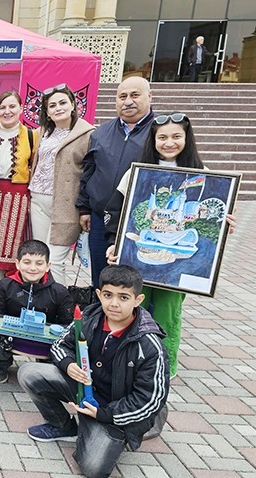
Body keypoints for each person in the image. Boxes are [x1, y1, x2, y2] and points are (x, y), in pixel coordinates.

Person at [104, 113, 237, 377]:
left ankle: (162, 366)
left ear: (187, 139)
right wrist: (114, 243)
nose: (169, 143)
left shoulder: (204, 175)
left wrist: (225, 227)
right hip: (140, 258)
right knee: (131, 310)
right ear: (153, 140)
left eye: (176, 136)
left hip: (176, 265)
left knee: (167, 313)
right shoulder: (138, 173)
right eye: (162, 137)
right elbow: (115, 211)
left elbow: (211, 224)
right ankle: (125, 362)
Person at [18, 265, 169, 478]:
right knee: (29, 373)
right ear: (99, 295)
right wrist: (69, 364)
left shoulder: (149, 345)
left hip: (114, 411)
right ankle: (64, 426)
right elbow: (60, 344)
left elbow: (150, 399)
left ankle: (107, 432)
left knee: (93, 469)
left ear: (138, 300)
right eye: (108, 295)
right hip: (85, 390)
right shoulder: (90, 316)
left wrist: (103, 414)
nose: (114, 303)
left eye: (124, 297)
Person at [77, 77, 154, 288]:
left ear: (149, 97)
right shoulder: (101, 133)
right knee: (101, 277)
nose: (128, 101)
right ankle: (101, 318)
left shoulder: (161, 133)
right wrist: (84, 208)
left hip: (142, 224)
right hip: (101, 219)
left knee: (137, 280)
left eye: (135, 95)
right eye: (122, 96)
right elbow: (89, 171)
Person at [28, 84, 95, 284]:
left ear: (73, 105)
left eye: (63, 103)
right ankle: (41, 306)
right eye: (52, 105)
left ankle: (61, 310)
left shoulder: (87, 134)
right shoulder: (43, 133)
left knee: (56, 261)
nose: (58, 108)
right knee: (39, 258)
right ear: (47, 113)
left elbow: (90, 172)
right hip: (38, 199)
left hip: (66, 206)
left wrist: (86, 208)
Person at [0, 240, 73, 383]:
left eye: (39, 263)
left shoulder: (60, 292)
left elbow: (68, 325)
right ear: (17, 264)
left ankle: (47, 364)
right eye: (27, 262)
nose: (33, 268)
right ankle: (1, 365)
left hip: (44, 341)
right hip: (10, 338)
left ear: (48, 266)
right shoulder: (5, 285)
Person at [0, 91, 39, 297]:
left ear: (21, 109)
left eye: (12, 106)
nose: (7, 111)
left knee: (7, 248)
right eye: (3, 107)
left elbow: (36, 168)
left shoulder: (32, 136)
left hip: (16, 197)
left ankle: (0, 293)